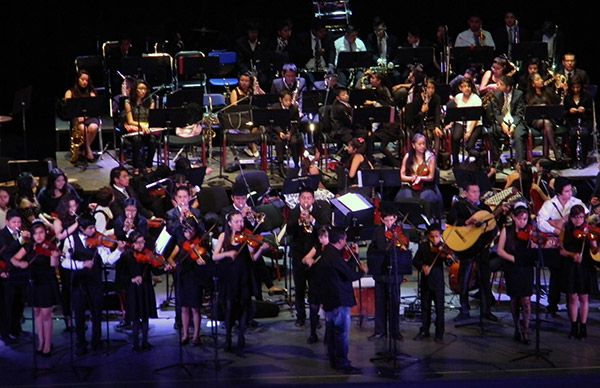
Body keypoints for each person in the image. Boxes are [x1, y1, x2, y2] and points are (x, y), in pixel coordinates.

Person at [61, 215, 125, 355]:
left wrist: (119, 251)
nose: (94, 230)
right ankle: (81, 343)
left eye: (94, 227)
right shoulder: (70, 240)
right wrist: (81, 264)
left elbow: (108, 260)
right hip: (78, 282)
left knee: (97, 313)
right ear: (82, 229)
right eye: (90, 228)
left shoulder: (99, 241)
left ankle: (97, 341)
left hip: (95, 282)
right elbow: (64, 262)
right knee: (79, 314)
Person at [212, 211, 268, 354]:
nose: (240, 224)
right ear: (229, 223)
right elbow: (215, 256)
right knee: (229, 306)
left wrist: (261, 249)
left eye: (241, 221)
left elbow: (253, 258)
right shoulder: (224, 236)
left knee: (243, 305)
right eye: (236, 222)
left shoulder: (246, 237)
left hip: (243, 275)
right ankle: (229, 338)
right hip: (229, 277)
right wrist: (228, 253)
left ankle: (241, 336)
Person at [446, 180, 498, 321]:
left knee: (484, 280)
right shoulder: (459, 206)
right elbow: (450, 220)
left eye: (478, 192)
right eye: (473, 192)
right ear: (466, 193)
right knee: (464, 279)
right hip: (467, 248)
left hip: (482, 248)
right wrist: (466, 222)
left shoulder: (485, 207)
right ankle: (464, 310)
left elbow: (493, 225)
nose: (476, 194)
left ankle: (486, 310)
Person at [537, 177, 587, 316]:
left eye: (571, 190)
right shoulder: (549, 204)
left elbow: (586, 218)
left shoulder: (576, 203)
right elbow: (541, 222)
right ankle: (553, 304)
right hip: (557, 244)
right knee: (556, 272)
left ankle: (575, 304)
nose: (570, 193)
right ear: (559, 192)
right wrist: (556, 229)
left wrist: (557, 222)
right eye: (566, 191)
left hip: (575, 244)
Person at [320, 227, 365, 374]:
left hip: (329, 298)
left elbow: (343, 270)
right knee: (341, 333)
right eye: (345, 239)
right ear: (340, 241)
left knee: (332, 331)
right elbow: (350, 275)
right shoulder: (335, 257)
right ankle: (343, 363)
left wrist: (353, 257)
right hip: (339, 299)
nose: (346, 242)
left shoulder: (327, 252)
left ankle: (333, 360)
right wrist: (362, 272)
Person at [10, 221, 60, 355]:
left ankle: (48, 345)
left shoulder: (50, 247)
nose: (39, 236)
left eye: (41, 233)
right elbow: (14, 259)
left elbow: (53, 267)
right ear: (32, 235)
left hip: (47, 282)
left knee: (46, 314)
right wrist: (22, 264)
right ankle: (41, 342)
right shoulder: (29, 246)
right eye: (36, 233)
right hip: (34, 282)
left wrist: (54, 256)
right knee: (37, 312)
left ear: (45, 233)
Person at [287, 187, 331, 327]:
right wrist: (299, 221)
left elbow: (324, 229)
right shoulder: (294, 212)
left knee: (314, 288)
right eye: (303, 198)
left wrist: (313, 221)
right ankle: (300, 317)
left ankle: (315, 317)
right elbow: (289, 231)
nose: (306, 201)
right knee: (299, 288)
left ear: (312, 199)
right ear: (299, 199)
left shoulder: (319, 211)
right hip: (298, 254)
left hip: (314, 255)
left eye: (308, 198)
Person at [122, 231, 171, 351]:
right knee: (135, 316)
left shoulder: (148, 255)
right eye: (138, 243)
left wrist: (165, 268)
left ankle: (145, 341)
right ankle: (135, 343)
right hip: (133, 289)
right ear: (132, 244)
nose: (141, 245)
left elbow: (155, 270)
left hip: (145, 287)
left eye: (143, 242)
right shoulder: (126, 257)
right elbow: (122, 275)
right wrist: (133, 279)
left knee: (145, 315)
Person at [366, 210, 409, 341]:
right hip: (381, 272)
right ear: (382, 220)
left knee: (395, 303)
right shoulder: (378, 231)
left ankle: (395, 331)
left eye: (392, 220)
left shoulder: (400, 232)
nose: (390, 223)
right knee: (380, 303)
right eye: (387, 220)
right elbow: (371, 250)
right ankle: (380, 331)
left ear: (395, 218)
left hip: (395, 273)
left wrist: (400, 243)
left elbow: (405, 247)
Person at [497, 206, 536, 344]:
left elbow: (535, 251)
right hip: (512, 268)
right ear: (514, 218)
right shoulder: (506, 230)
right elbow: (500, 251)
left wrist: (535, 243)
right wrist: (514, 259)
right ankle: (516, 328)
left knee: (526, 300)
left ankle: (526, 329)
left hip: (526, 268)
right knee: (514, 299)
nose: (523, 222)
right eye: (520, 219)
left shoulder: (530, 231)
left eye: (525, 219)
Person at [559, 205, 598, 339]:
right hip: (571, 266)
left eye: (581, 217)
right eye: (576, 217)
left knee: (584, 297)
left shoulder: (588, 230)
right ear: (571, 218)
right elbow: (561, 250)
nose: (579, 220)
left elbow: (594, 250)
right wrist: (572, 255)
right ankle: (574, 325)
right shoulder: (566, 228)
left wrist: (592, 240)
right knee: (573, 297)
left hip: (585, 266)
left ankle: (584, 326)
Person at [176, 220, 211, 346]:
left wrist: (201, 261)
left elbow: (206, 258)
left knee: (195, 308)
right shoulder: (180, 244)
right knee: (184, 307)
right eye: (186, 230)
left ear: (196, 230)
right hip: (183, 278)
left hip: (195, 279)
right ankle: (185, 334)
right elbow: (177, 260)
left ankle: (196, 335)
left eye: (191, 230)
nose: (188, 233)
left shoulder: (201, 243)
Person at [412, 223, 447, 343]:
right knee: (425, 307)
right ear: (428, 236)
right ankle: (424, 330)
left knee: (439, 308)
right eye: (432, 237)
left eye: (437, 236)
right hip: (426, 281)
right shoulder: (423, 246)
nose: (435, 239)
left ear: (440, 236)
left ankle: (439, 333)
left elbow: (449, 262)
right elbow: (415, 261)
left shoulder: (444, 247)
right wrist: (423, 267)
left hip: (438, 282)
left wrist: (446, 256)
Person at [396, 133, 443, 220]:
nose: (422, 146)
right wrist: (411, 178)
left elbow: (431, 177)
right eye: (419, 144)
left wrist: (420, 178)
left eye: (424, 144)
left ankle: (426, 221)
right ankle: (408, 221)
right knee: (402, 196)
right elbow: (402, 176)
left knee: (425, 197)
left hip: (426, 186)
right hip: (411, 185)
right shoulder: (408, 156)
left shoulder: (430, 157)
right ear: (414, 145)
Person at [0, 210, 31, 341]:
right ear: (7, 221)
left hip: (20, 274)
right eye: (14, 222)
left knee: (19, 304)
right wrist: (20, 241)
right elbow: (5, 252)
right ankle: (5, 332)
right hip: (6, 274)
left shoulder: (22, 234)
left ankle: (16, 329)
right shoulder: (2, 234)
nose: (17, 224)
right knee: (7, 305)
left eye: (19, 222)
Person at [64, 70, 100, 163]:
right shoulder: (70, 92)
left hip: (90, 117)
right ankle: (88, 150)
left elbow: (93, 109)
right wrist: (77, 116)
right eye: (82, 79)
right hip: (77, 118)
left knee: (93, 127)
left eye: (86, 80)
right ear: (78, 80)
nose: (85, 82)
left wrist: (86, 116)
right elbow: (68, 109)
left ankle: (84, 150)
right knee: (83, 128)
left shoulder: (91, 92)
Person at [301, 225, 329, 344]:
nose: (323, 240)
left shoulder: (332, 249)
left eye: (325, 237)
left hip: (327, 282)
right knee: (313, 308)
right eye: (321, 237)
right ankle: (313, 334)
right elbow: (304, 259)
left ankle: (329, 335)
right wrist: (309, 260)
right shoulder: (317, 247)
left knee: (328, 310)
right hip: (315, 281)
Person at [447, 78, 484, 165]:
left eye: (468, 86)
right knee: (455, 137)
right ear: (460, 88)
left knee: (469, 147)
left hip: (475, 125)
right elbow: (455, 113)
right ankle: (455, 162)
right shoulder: (458, 97)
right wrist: (451, 123)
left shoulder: (476, 99)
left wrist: (468, 133)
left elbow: (475, 119)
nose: (467, 88)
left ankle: (481, 158)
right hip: (461, 122)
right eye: (464, 86)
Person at [526, 72, 562, 160]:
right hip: (536, 121)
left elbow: (557, 103)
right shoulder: (529, 95)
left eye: (541, 78)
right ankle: (555, 150)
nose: (541, 80)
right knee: (546, 123)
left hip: (549, 119)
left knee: (546, 126)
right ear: (533, 84)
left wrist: (559, 89)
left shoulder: (548, 91)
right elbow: (528, 111)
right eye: (538, 79)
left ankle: (545, 156)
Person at [124, 79, 157, 174]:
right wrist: (142, 125)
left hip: (146, 128)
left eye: (145, 89)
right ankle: (136, 166)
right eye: (140, 88)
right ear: (135, 89)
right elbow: (130, 121)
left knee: (152, 140)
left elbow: (151, 118)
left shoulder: (150, 101)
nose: (143, 91)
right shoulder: (128, 102)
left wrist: (146, 126)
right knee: (136, 140)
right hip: (134, 129)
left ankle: (149, 165)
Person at [491, 75, 527, 162]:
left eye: (501, 84)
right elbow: (496, 113)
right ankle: (496, 161)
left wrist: (513, 125)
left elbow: (519, 113)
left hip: (515, 121)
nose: (498, 86)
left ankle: (520, 163)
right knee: (492, 132)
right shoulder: (496, 95)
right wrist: (503, 123)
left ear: (508, 87)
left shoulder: (519, 94)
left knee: (518, 135)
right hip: (502, 120)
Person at [269, 89, 302, 174]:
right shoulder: (275, 108)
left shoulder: (294, 108)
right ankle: (280, 165)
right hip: (277, 132)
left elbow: (296, 123)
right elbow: (273, 122)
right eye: (286, 100)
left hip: (290, 131)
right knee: (279, 142)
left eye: (290, 100)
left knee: (294, 141)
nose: (288, 103)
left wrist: (290, 133)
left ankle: (296, 162)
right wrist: (280, 132)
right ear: (281, 100)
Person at [564, 76, 593, 168]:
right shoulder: (567, 97)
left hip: (585, 121)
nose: (576, 90)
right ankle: (574, 159)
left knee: (584, 134)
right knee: (573, 135)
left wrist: (584, 110)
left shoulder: (587, 96)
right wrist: (569, 111)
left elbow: (591, 111)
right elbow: (563, 112)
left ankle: (583, 159)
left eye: (578, 87)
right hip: (572, 122)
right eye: (574, 87)